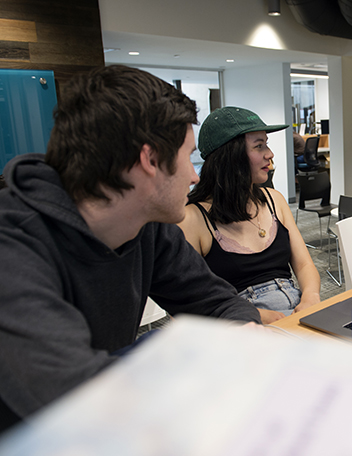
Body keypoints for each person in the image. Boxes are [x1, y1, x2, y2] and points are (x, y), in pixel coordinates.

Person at [0, 66, 262, 433]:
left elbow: (219, 303)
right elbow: (78, 397)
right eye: (188, 158)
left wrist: (243, 333)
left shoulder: (146, 225)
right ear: (150, 161)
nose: (195, 176)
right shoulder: (12, 247)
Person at [179, 107, 321, 324]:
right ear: (230, 157)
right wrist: (255, 316)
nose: (270, 154)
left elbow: (304, 265)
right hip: (242, 327)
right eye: (259, 146)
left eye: (267, 144)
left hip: (296, 313)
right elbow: (188, 305)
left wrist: (311, 296)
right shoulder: (193, 219)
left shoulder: (274, 199)